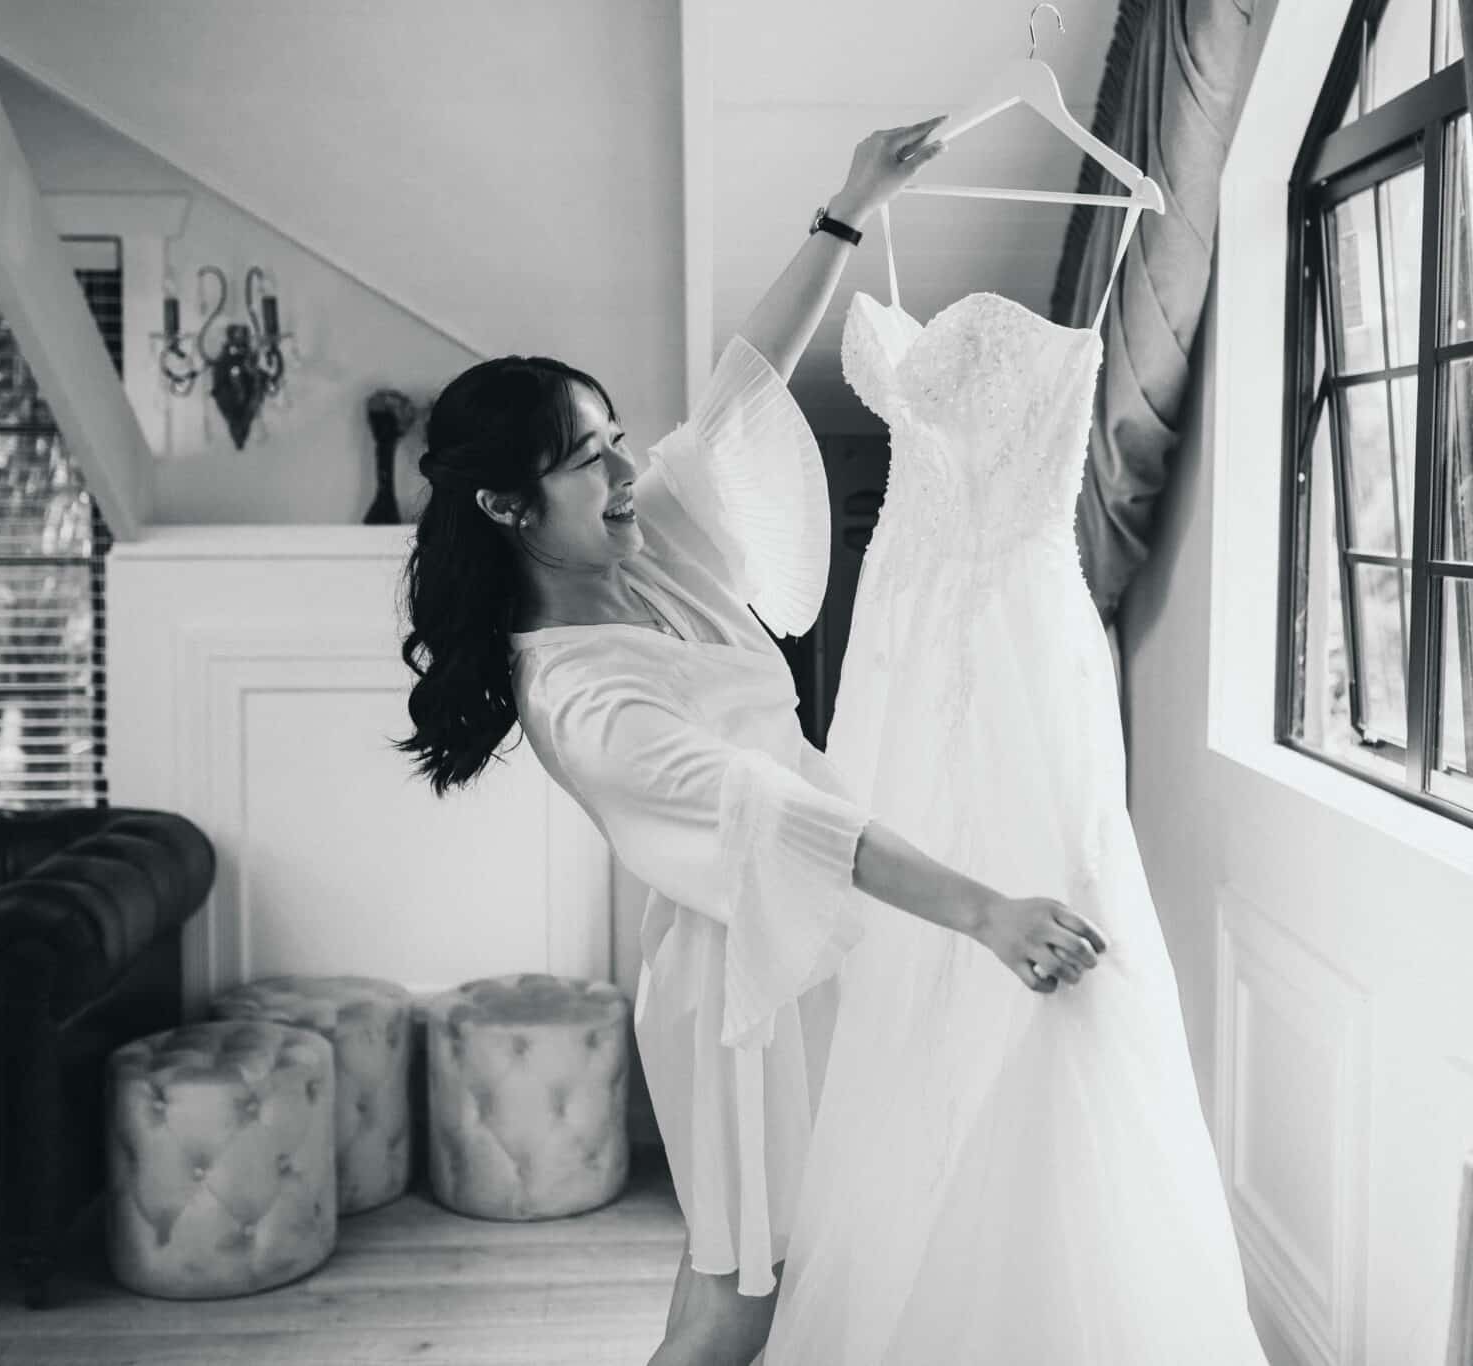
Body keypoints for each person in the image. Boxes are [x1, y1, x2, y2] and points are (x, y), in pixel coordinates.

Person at [393, 119, 1111, 1366]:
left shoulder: (644, 541)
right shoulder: (584, 700)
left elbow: (742, 388)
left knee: (759, 1261)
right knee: (744, 1293)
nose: (622, 467)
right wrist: (989, 913)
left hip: (812, 931)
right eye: (585, 459)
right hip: (743, 990)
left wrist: (847, 203)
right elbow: (788, 822)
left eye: (614, 436)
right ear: (507, 506)